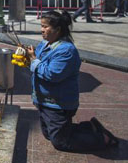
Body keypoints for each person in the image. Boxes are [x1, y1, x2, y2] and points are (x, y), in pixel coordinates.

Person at [26, 10, 119, 152]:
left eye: (45, 27)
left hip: (58, 103)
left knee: (60, 142)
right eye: (41, 26)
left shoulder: (66, 51)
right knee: (49, 134)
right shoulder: (46, 43)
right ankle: (89, 127)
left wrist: (34, 60)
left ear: (57, 30)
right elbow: (38, 63)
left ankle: (102, 139)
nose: (41, 30)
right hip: (44, 100)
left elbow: (52, 74)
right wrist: (28, 58)